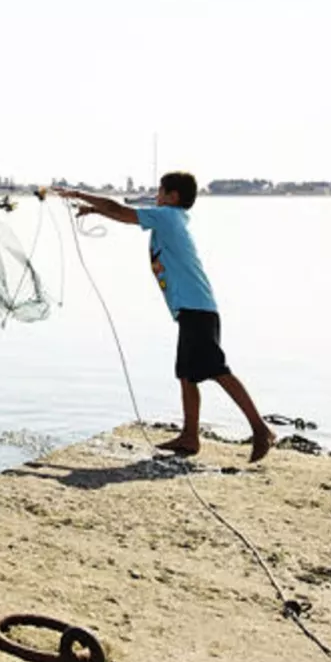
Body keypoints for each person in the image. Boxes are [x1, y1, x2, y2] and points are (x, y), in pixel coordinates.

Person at [55, 173, 274, 462]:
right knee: (187, 374)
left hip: (197, 308)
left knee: (216, 369)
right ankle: (190, 436)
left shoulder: (168, 217)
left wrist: (79, 194)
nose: (156, 194)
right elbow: (123, 214)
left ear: (173, 196)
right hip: (192, 309)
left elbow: (121, 210)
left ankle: (261, 430)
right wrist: (96, 211)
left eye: (160, 191)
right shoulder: (170, 218)